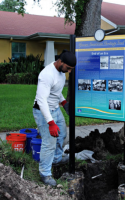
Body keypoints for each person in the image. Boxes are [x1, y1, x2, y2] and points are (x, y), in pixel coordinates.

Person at [33, 50, 76, 186]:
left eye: (71, 69)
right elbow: (41, 100)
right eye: (68, 68)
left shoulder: (61, 72)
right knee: (49, 143)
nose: (69, 71)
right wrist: (50, 123)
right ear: (60, 62)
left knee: (62, 134)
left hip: (55, 109)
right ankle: (45, 173)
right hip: (43, 111)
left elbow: (56, 92)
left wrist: (63, 103)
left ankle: (56, 158)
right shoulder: (47, 75)